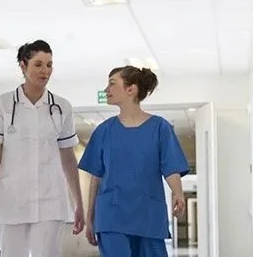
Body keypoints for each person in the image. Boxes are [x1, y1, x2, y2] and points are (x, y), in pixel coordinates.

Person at [0, 40, 85, 257]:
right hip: (12, 197)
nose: (45, 70)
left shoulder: (61, 107)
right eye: (38, 64)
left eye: (49, 65)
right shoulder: (4, 104)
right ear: (23, 66)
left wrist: (78, 203)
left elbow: (68, 157)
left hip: (51, 199)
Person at [78, 66, 190, 257]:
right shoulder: (104, 131)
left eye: (112, 84)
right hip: (111, 216)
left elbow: (171, 167)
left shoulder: (160, 128)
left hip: (148, 214)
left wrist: (178, 193)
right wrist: (90, 217)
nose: (106, 90)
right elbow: (95, 176)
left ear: (131, 89)